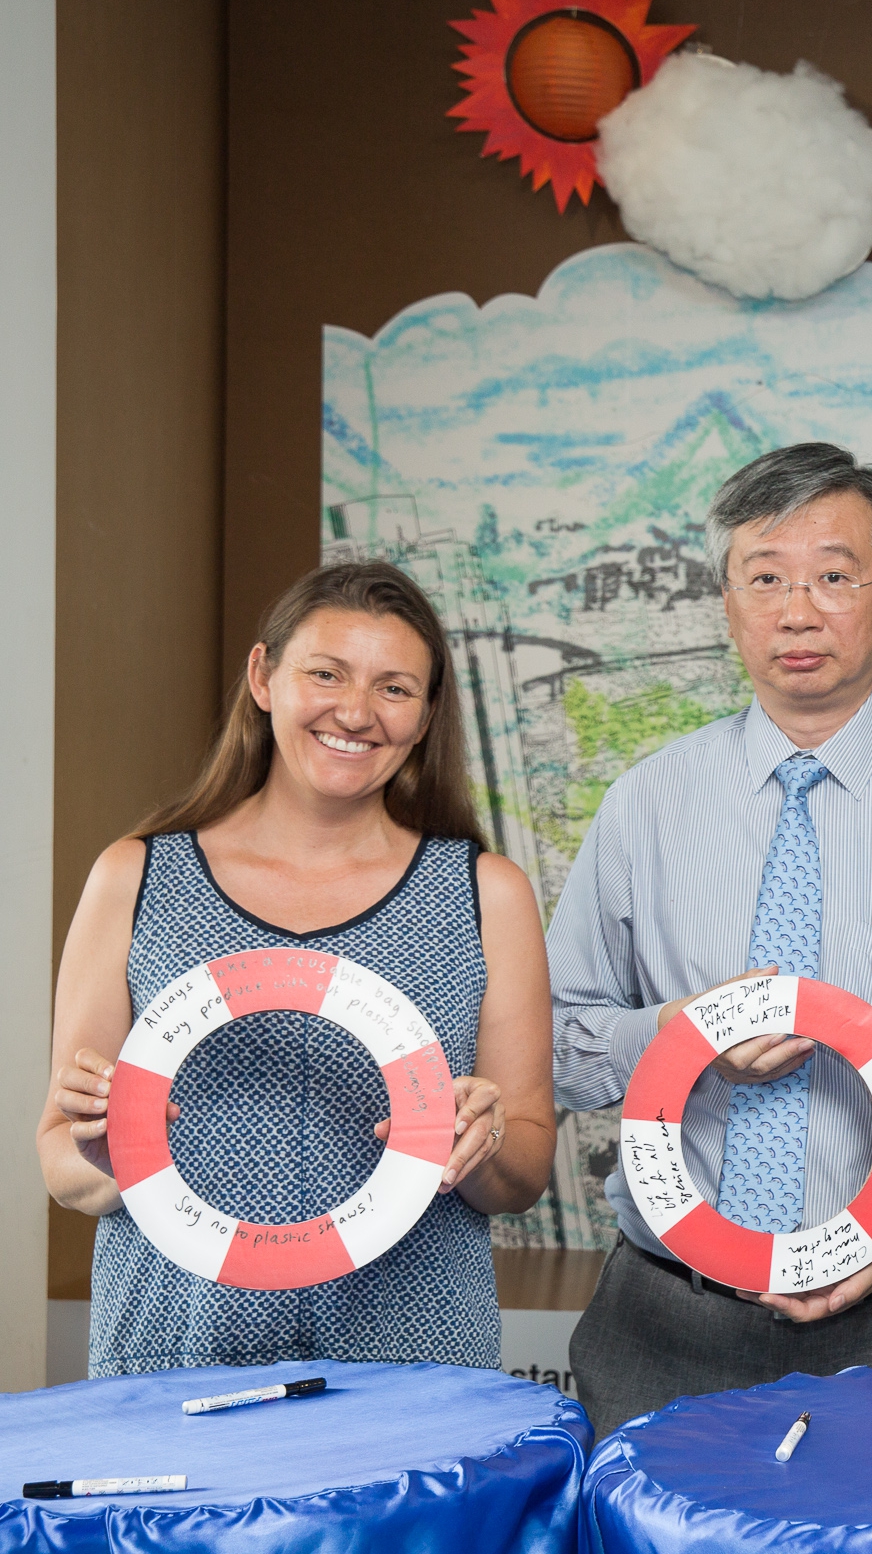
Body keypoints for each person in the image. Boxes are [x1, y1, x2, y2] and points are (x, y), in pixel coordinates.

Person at [551, 442, 872, 1435]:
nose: (797, 608)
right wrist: (678, 1035)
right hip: (665, 1318)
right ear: (728, 602)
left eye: (832, 576)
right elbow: (558, 1043)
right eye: (764, 577)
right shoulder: (644, 804)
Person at [40, 561, 555, 1375]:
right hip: (176, 1351)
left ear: (425, 717)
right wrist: (105, 1154)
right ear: (263, 677)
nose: (355, 712)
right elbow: (64, 1165)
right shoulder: (133, 876)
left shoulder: (487, 893)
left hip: (409, 1358)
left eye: (394, 688)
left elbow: (523, 1173)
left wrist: (481, 1142)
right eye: (325, 673)